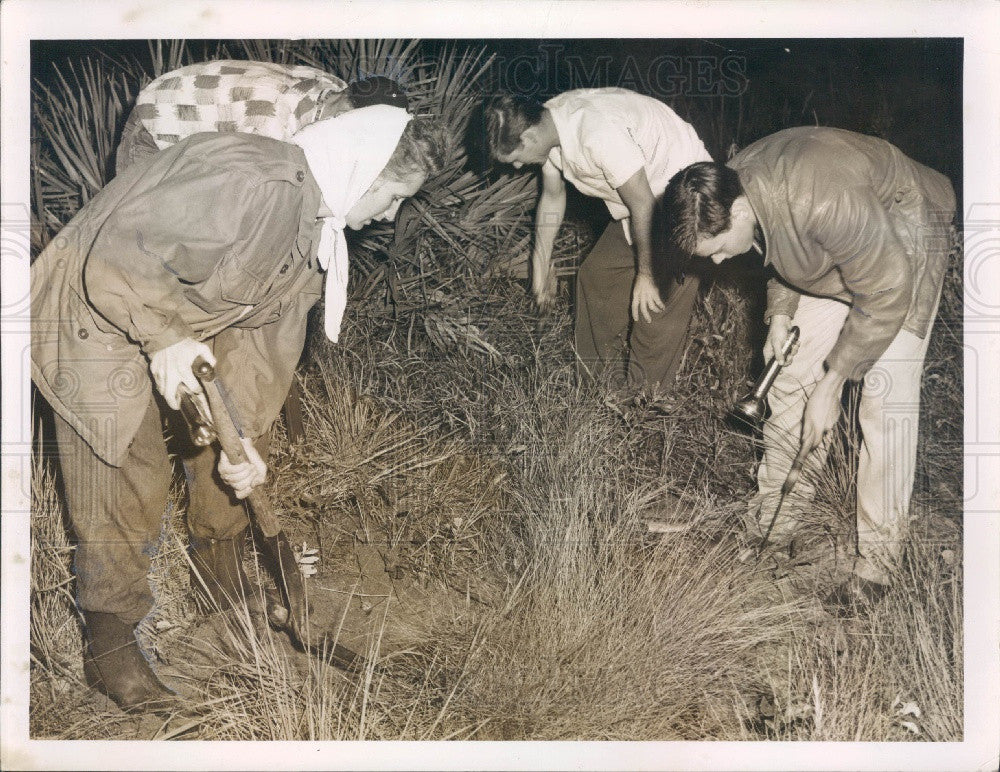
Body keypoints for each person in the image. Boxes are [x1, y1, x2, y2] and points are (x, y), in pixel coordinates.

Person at [31, 106, 447, 712]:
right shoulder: (254, 181)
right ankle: (110, 642)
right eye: (391, 195)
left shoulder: (314, 235)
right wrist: (166, 338)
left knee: (220, 461)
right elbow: (118, 257)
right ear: (363, 169)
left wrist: (242, 437)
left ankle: (219, 582)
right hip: (89, 313)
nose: (389, 214)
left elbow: (260, 348)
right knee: (128, 468)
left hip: (160, 324)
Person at [660, 126, 956, 599]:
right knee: (792, 374)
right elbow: (780, 246)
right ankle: (775, 523)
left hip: (906, 231)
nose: (715, 263)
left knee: (884, 399)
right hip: (845, 241)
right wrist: (779, 315)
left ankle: (876, 567)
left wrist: (835, 381)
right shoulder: (736, 186)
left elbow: (885, 287)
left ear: (736, 212)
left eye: (714, 249)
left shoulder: (820, 199)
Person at [484, 88, 712, 395]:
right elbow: (552, 196)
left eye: (514, 159)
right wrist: (540, 264)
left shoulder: (596, 132)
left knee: (653, 302)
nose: (516, 167)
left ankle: (645, 403)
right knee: (597, 276)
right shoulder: (548, 121)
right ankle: (598, 390)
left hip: (688, 201)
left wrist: (646, 275)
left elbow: (643, 203)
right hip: (643, 201)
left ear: (526, 138)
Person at [115, 58, 409, 174]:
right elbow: (241, 184)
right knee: (135, 233)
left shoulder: (334, 88)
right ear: (346, 108)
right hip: (157, 118)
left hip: (210, 110)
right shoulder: (272, 122)